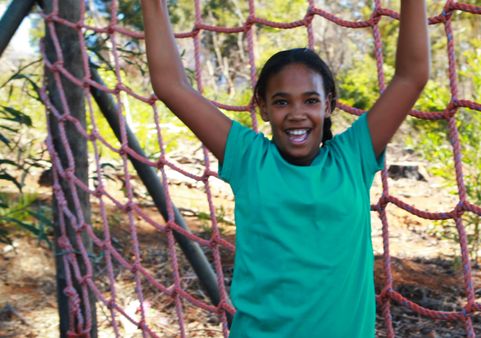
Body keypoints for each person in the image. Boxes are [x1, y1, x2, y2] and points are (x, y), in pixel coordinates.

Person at [141, 1, 430, 337]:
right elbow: (170, 85)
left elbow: (412, 76)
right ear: (262, 107)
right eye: (281, 101)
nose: (296, 113)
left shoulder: (353, 158)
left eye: (310, 100)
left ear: (329, 105)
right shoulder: (250, 160)